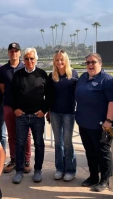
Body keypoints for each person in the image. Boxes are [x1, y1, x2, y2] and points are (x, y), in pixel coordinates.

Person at [75, 53, 113, 192]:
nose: (90, 65)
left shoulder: (107, 80)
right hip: (84, 124)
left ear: (100, 63)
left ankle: (105, 179)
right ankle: (93, 176)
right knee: (90, 152)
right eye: (87, 63)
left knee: (103, 152)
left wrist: (109, 121)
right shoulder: (83, 77)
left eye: (93, 62)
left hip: (102, 125)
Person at [11, 47, 49, 184]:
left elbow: (49, 96)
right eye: (26, 58)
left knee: (39, 144)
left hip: (37, 116)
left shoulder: (43, 74)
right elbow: (11, 94)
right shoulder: (17, 75)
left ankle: (38, 170)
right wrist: (15, 108)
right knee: (20, 144)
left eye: (31, 58)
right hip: (21, 116)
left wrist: (43, 110)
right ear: (23, 60)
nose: (29, 61)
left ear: (36, 59)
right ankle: (19, 171)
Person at [0, 42, 32, 173]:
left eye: (16, 51)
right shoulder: (3, 70)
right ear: (8, 53)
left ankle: (26, 160)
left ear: (20, 53)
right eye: (11, 51)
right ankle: (14, 159)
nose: (14, 53)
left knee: (26, 135)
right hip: (8, 106)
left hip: (24, 107)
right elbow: (2, 88)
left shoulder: (25, 67)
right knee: (12, 135)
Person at [48, 50, 78, 181]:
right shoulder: (51, 76)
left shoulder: (74, 74)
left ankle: (70, 170)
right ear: (54, 61)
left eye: (62, 59)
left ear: (66, 60)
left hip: (68, 113)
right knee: (58, 142)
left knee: (67, 142)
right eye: (57, 60)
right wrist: (48, 111)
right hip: (55, 113)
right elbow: (48, 95)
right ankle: (59, 168)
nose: (59, 62)